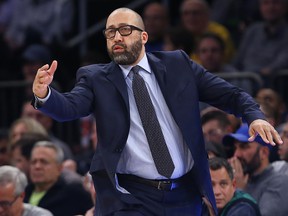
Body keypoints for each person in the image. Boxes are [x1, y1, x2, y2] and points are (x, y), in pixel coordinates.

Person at [31, 7, 282, 216]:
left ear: (144, 37)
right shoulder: (96, 78)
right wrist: (45, 94)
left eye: (124, 30)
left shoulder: (178, 65)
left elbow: (231, 95)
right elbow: (71, 107)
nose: (117, 37)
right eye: (110, 33)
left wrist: (254, 116)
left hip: (185, 193)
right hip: (133, 197)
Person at [223, 124, 288, 216]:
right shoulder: (245, 180)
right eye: (235, 148)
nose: (236, 154)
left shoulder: (279, 182)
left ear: (264, 153)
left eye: (244, 147)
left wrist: (239, 191)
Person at [24, 141, 93, 216]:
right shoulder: (22, 192)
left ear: (59, 168)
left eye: (44, 162)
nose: (37, 166)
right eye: (33, 162)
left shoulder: (74, 194)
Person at [232, 0, 288, 85]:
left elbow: (283, 60)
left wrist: (267, 71)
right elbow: (238, 61)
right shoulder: (252, 30)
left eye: (275, 3)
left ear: (285, 7)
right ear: (260, 7)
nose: (270, 7)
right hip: (245, 80)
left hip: (273, 83)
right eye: (266, 3)